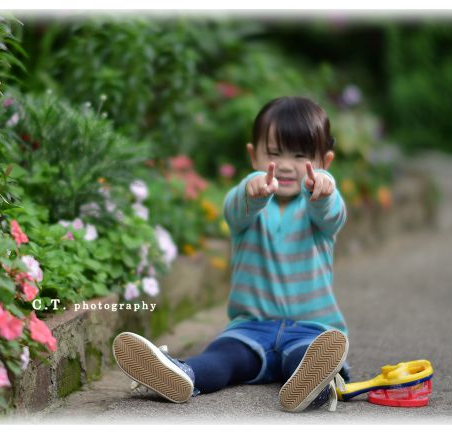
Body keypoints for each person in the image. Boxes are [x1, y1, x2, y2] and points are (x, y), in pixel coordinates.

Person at [112, 96, 350, 412]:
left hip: (311, 329)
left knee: (306, 358)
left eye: (301, 156)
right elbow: (236, 209)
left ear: (324, 161)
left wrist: (322, 189)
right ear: (254, 155)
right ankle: (183, 373)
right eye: (274, 154)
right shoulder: (248, 204)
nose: (286, 165)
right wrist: (253, 191)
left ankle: (316, 385)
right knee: (222, 358)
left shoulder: (320, 207)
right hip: (250, 328)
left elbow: (332, 214)